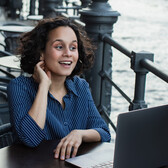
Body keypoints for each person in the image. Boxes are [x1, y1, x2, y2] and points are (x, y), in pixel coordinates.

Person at [7, 17, 111, 161]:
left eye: (73, 47)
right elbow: (30, 138)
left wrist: (79, 134)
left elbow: (104, 133)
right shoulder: (19, 87)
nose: (68, 53)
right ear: (41, 52)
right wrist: (44, 85)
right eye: (59, 47)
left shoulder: (80, 86)